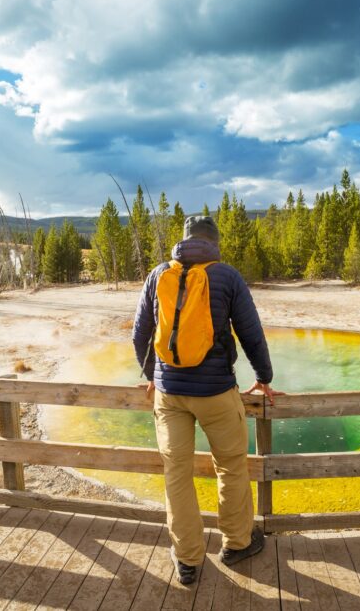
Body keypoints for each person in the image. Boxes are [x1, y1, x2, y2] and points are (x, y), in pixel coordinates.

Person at [132, 215, 280, 585]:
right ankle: (236, 543)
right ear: (214, 242)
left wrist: (152, 376)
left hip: (169, 394)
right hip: (215, 392)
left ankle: (187, 559)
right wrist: (263, 377)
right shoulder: (226, 276)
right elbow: (251, 333)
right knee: (231, 467)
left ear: (183, 241)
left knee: (176, 474)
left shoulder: (158, 274)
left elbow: (140, 335)